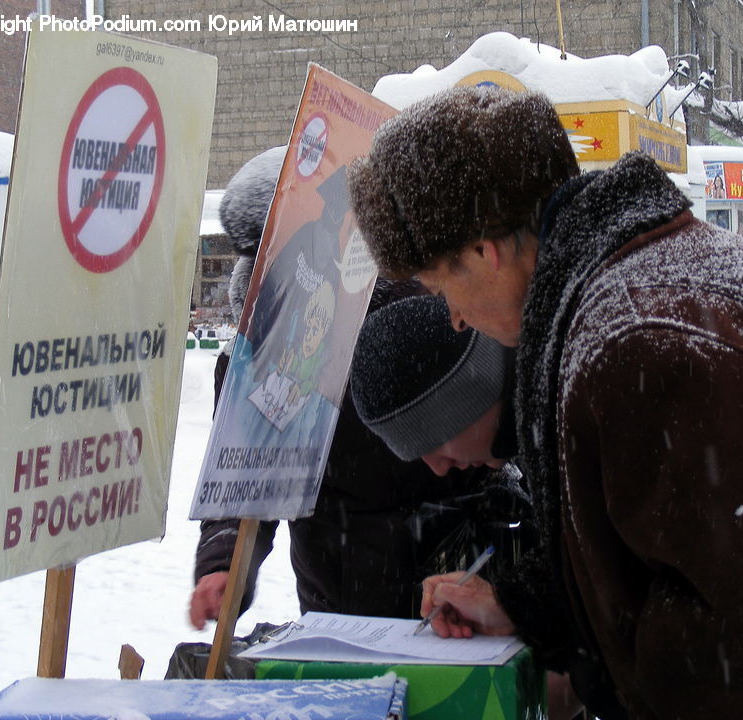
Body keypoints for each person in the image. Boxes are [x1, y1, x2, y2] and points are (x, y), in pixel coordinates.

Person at [347, 86, 743, 719]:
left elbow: (739, 651)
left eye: (438, 285)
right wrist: (525, 606)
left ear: (482, 251)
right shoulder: (645, 291)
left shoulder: (635, 340)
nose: (452, 317)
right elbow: (663, 558)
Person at [189, 146, 531, 630]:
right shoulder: (258, 357)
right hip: (337, 602)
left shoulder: (423, 319)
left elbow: (497, 439)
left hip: (455, 587)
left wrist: (503, 589)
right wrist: (224, 566)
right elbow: (246, 478)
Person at [350, 293, 579, 720]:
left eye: (432, 444)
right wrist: (514, 606)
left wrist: (578, 670)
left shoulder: (571, 418)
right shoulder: (537, 417)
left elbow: (632, 586)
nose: (438, 469)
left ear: (465, 403)